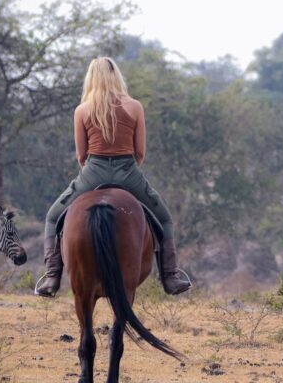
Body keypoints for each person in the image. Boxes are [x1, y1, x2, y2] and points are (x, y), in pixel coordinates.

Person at [35, 57, 192, 297]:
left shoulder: (82, 110)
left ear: (91, 79)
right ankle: (170, 276)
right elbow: (140, 152)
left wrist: (94, 170)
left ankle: (52, 276)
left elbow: (81, 155)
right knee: (165, 219)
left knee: (52, 217)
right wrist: (126, 170)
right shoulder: (135, 106)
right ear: (116, 76)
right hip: (128, 172)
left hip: (92, 171)